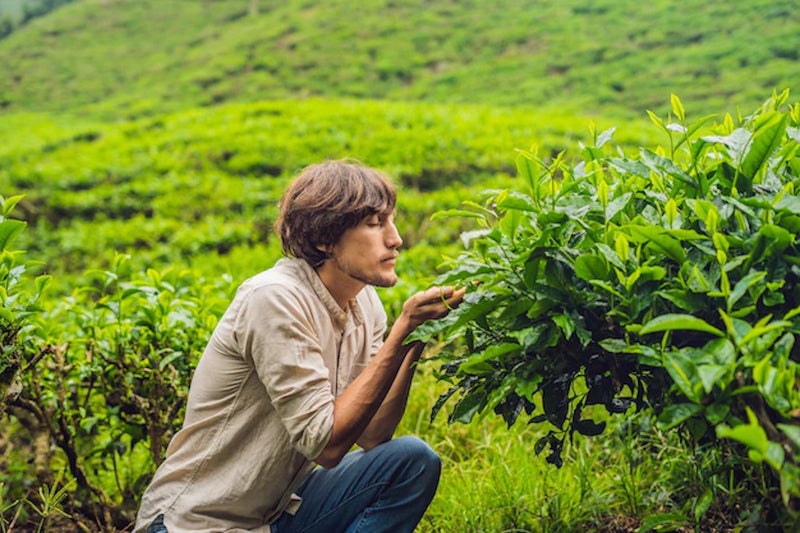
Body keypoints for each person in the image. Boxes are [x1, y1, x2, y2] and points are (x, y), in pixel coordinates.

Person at [134, 160, 466, 533]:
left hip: (275, 515)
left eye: (391, 222)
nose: (395, 239)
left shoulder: (365, 302)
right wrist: (401, 329)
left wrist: (412, 338)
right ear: (325, 238)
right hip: (195, 522)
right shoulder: (275, 298)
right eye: (375, 225)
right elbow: (326, 446)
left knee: (412, 461)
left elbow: (373, 435)